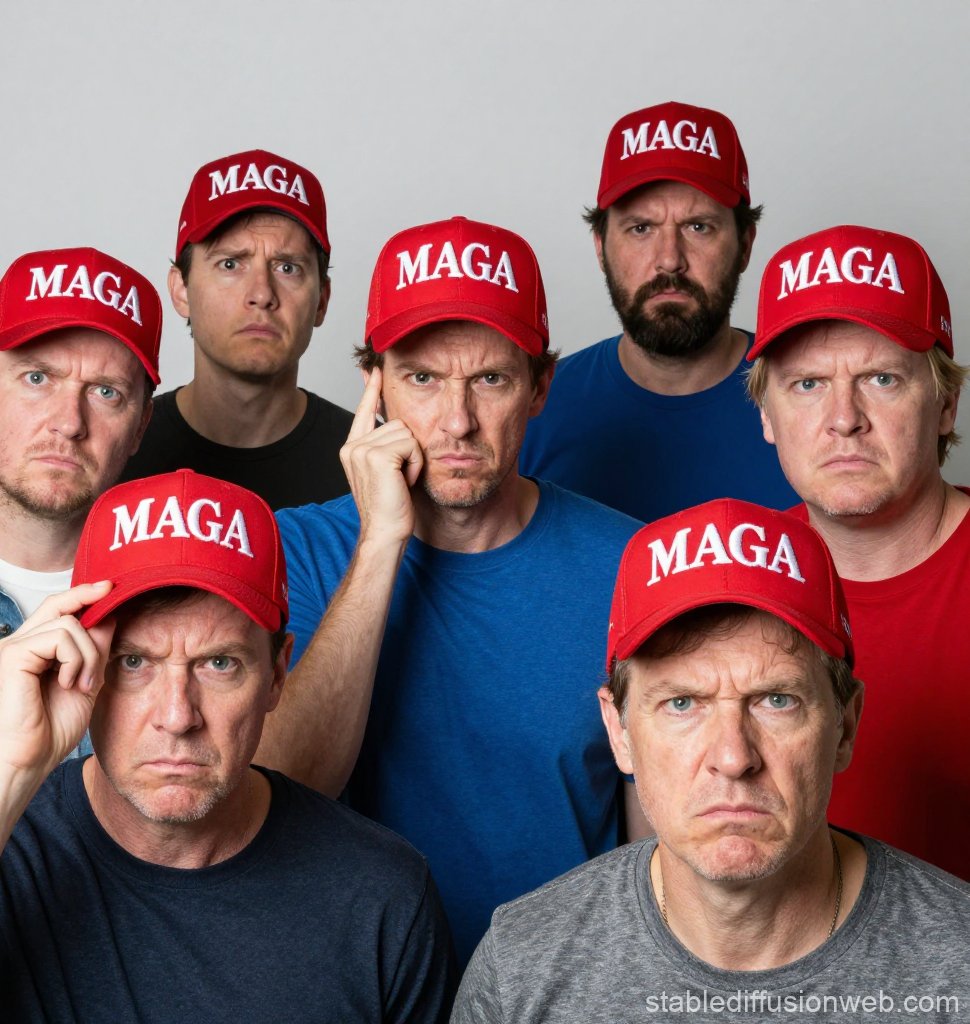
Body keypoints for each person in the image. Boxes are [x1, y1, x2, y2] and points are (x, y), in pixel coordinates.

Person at [256, 216, 641, 967]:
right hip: (347, 989)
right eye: (423, 379)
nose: (457, 421)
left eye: (490, 379)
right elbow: (281, 789)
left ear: (539, 387)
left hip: (561, 991)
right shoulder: (292, 550)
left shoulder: (631, 562)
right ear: (375, 387)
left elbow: (658, 850)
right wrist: (379, 545)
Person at [0, 469, 457, 1024]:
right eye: (134, 662)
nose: (176, 716)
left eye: (219, 664)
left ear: (277, 674)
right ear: (79, 667)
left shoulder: (382, 898)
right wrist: (2, 765)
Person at [452, 498, 970, 1023]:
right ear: (620, 731)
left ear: (845, 725)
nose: (732, 757)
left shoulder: (958, 966)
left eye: (777, 700)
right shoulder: (521, 969)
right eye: (682, 703)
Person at [746, 224, 970, 881]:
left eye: (881, 378)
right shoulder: (730, 581)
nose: (845, 417)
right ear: (766, 414)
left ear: (946, 403)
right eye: (808, 384)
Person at [0, 247, 162, 789]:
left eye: (106, 393)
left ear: (140, 427)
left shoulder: (182, 595)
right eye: (37, 378)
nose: (69, 423)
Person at [520, 101, 797, 522]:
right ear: (600, 248)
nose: (669, 260)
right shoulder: (531, 411)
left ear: (744, 244)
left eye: (698, 226)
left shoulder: (819, 406)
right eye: (641, 228)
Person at [120, 149, 352, 509]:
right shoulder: (114, 454)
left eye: (287, 268)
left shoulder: (372, 464)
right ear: (181, 290)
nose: (261, 294)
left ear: (321, 299)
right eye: (230, 264)